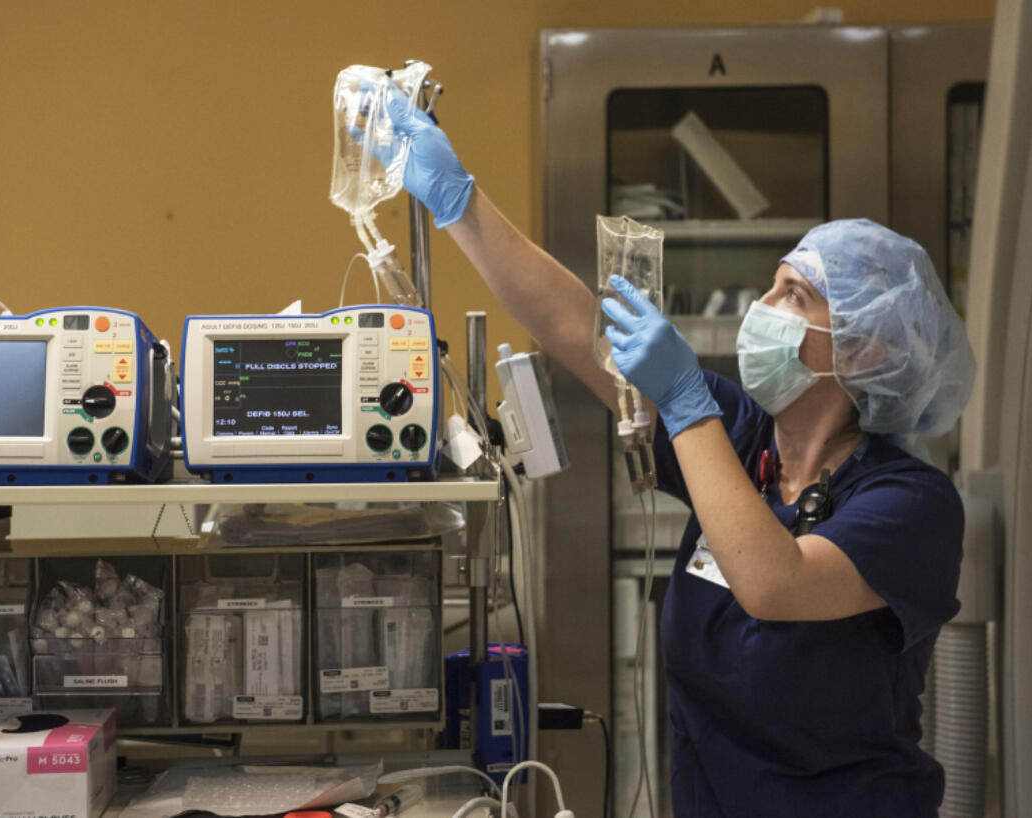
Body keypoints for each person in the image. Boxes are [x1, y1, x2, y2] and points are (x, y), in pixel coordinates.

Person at [380, 89, 976, 817]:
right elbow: (575, 328)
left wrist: (689, 403)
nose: (763, 307)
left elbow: (774, 583)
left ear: (863, 348)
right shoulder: (749, 446)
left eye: (794, 296)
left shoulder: (909, 503)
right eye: (772, 284)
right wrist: (459, 202)